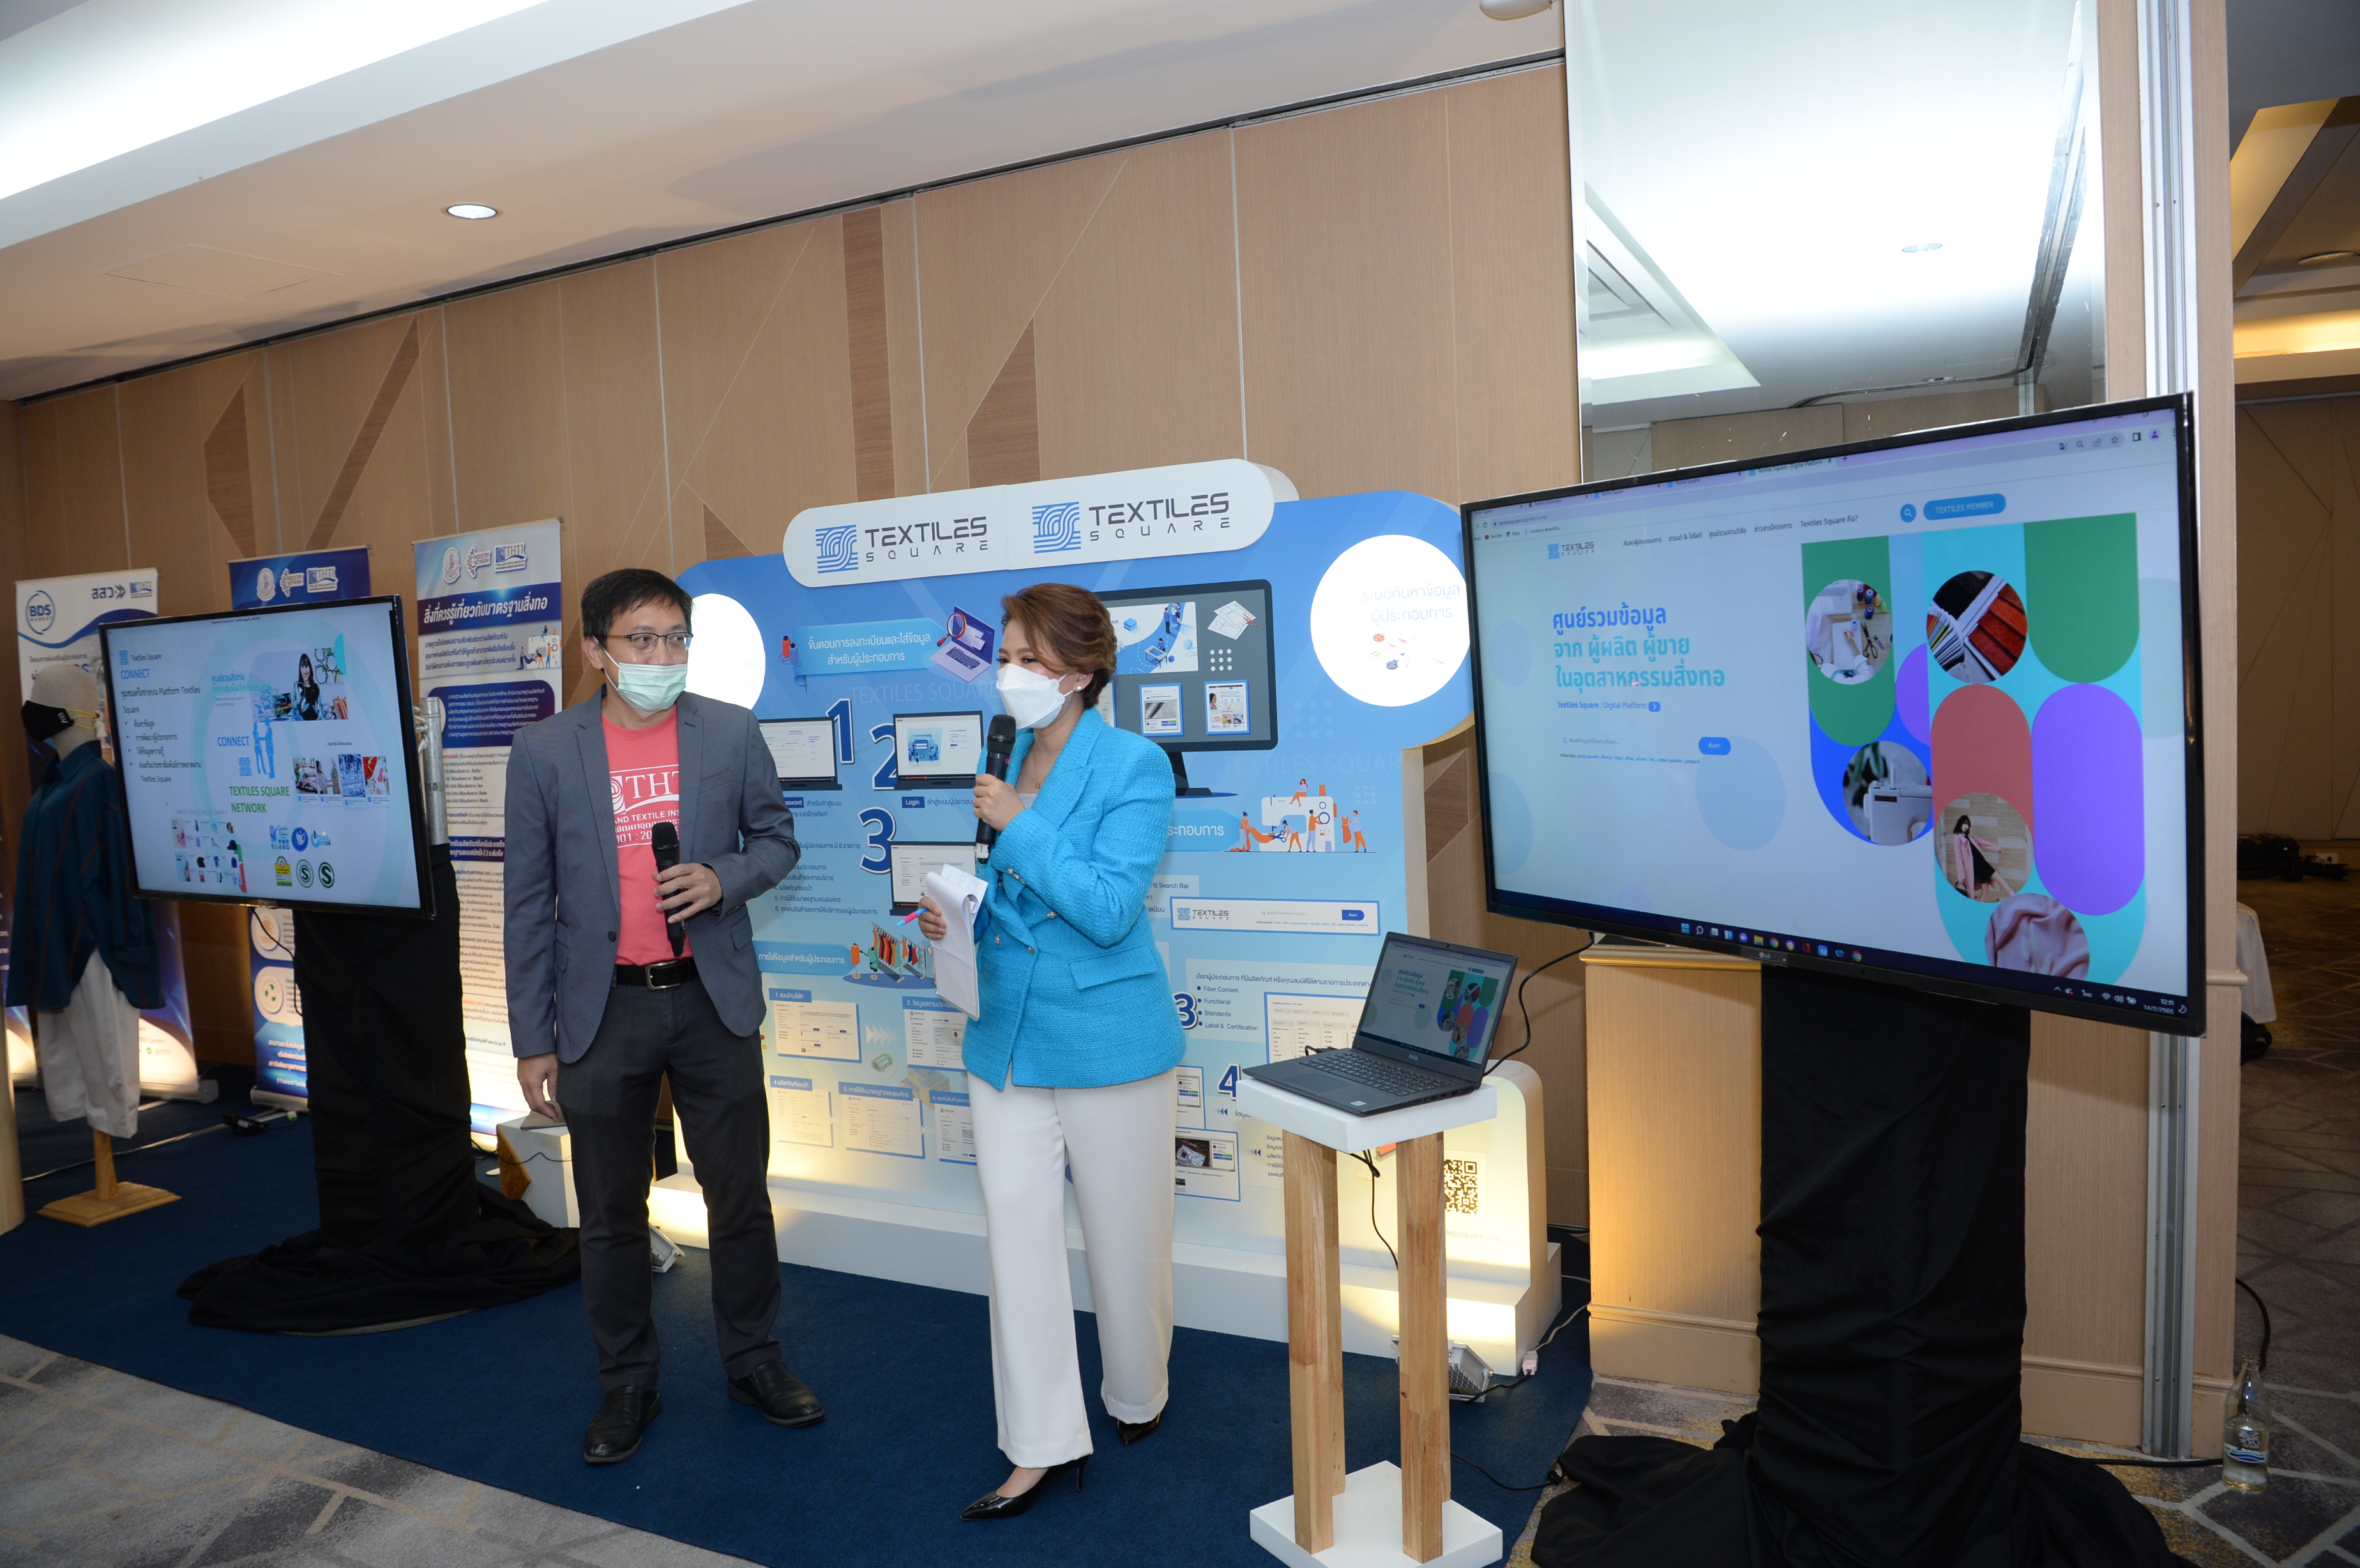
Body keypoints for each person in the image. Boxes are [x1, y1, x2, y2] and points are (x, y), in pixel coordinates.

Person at [504, 568, 819, 1466]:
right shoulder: (544, 750)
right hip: (602, 1010)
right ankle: (627, 1381)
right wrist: (533, 1038)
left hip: (712, 1000)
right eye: (641, 639)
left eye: (676, 637)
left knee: (740, 1197)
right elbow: (527, 903)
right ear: (595, 649)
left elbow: (779, 840)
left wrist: (723, 877)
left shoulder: (730, 730)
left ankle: (754, 1359)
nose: (662, 655)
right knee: (609, 1211)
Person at [916, 582, 1183, 1521]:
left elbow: (1108, 910)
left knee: (1126, 1237)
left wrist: (1017, 824)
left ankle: (1137, 1393)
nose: (1010, 673)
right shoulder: (1010, 754)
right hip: (1005, 1036)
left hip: (1111, 1040)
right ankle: (1038, 1445)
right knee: (1018, 1241)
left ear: (1079, 671)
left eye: (1029, 658)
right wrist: (957, 913)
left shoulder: (1134, 764)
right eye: (1006, 655)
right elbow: (1015, 895)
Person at [292, 653, 322, 721]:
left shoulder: (316, 687)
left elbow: (320, 709)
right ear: (300, 669)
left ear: (310, 668)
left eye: (306, 667)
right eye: (302, 667)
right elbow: (294, 711)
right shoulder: (296, 686)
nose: (304, 671)